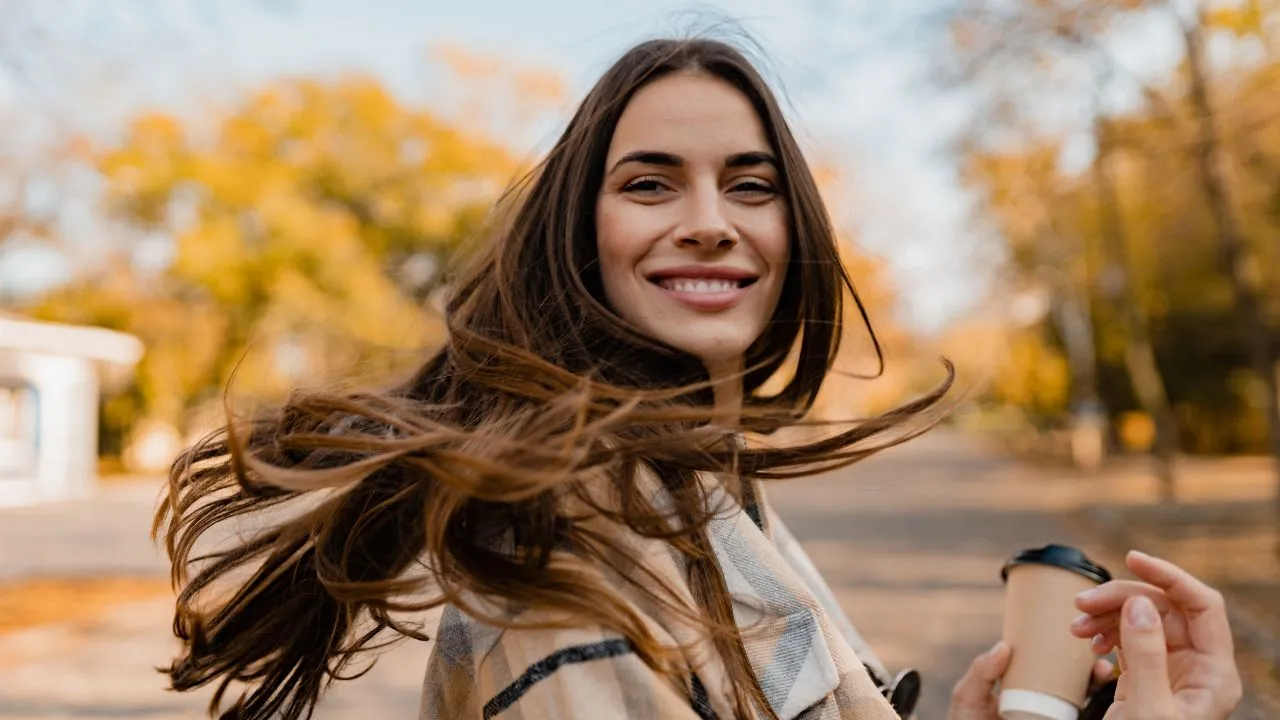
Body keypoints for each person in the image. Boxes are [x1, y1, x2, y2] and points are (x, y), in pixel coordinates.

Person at [154, 37, 1244, 720]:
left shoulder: (709, 495)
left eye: (749, 184)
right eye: (649, 183)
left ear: (793, 230)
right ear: (579, 237)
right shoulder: (565, 590)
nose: (710, 223)